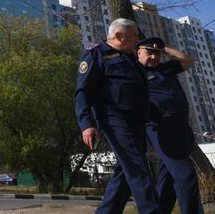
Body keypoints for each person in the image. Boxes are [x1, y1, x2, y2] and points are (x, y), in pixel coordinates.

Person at [74, 18, 161, 213]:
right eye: (134, 36)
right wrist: (86, 123)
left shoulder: (130, 59)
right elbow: (82, 92)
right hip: (115, 120)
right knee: (138, 169)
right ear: (119, 36)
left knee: (124, 172)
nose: (138, 41)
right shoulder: (96, 55)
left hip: (137, 122)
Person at [137, 37, 202, 213]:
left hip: (179, 126)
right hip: (159, 126)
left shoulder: (165, 69)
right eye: (149, 53)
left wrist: (164, 48)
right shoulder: (136, 73)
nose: (153, 57)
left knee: (167, 178)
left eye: (156, 54)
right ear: (139, 53)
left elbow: (188, 60)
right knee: (185, 173)